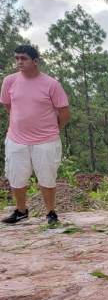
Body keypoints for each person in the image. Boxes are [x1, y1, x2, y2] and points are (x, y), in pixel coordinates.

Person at [1, 45, 70, 226]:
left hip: (46, 140)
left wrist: (55, 129)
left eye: (23, 58)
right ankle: (21, 211)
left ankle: (50, 213)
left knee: (47, 177)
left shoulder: (51, 84)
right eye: (16, 58)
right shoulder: (9, 81)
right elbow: (8, 106)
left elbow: (64, 112)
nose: (19, 62)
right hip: (16, 139)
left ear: (35, 61)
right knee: (16, 176)